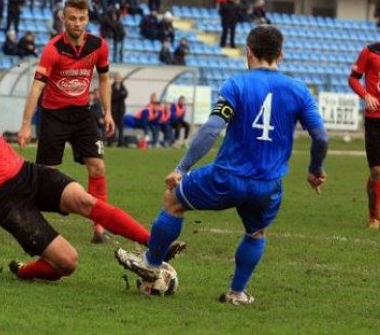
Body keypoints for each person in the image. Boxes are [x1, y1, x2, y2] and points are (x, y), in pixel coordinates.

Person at [0, 45, 182, 282]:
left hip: (27, 172)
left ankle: (153, 243)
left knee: (86, 201)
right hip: (5, 199)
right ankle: (24, 271)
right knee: (67, 263)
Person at [115, 25, 329, 306]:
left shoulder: (236, 85)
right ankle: (237, 293)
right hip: (267, 184)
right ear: (281, 54)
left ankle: (152, 263)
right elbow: (321, 136)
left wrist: (182, 167)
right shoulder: (299, 91)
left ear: (248, 52)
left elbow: (212, 129)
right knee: (256, 232)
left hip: (226, 177)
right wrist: (315, 170)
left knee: (174, 201)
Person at [17, 0, 116, 243]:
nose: (77, 23)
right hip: (54, 116)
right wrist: (26, 125)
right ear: (63, 19)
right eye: (72, 18)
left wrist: (108, 112)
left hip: (83, 114)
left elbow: (104, 80)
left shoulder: (98, 46)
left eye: (82, 18)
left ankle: (99, 229)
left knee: (98, 167)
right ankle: (36, 228)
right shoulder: (52, 49)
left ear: (88, 20)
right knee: (46, 176)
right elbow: (36, 88)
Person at [348, 40, 380, 229]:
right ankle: (374, 217)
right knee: (376, 171)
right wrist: (365, 95)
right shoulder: (370, 51)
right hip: (374, 120)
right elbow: (353, 78)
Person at [110, 72, 128, 147]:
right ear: (114, 79)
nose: (118, 80)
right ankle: (111, 141)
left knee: (121, 127)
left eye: (119, 78)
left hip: (120, 110)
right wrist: (121, 95)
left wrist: (120, 95)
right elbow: (112, 97)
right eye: (117, 78)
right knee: (112, 126)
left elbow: (126, 94)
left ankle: (120, 142)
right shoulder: (111, 86)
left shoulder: (123, 86)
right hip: (113, 110)